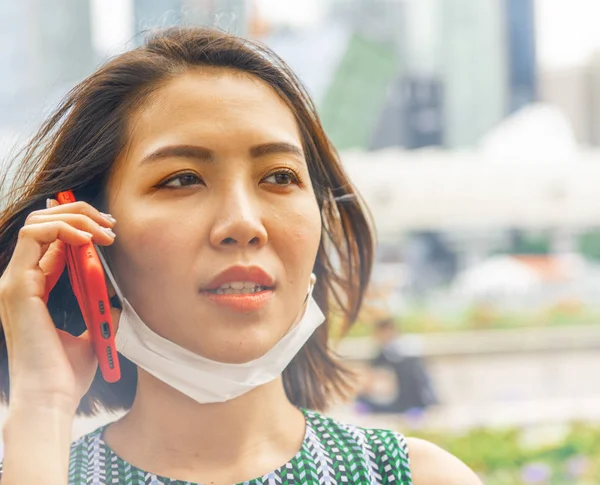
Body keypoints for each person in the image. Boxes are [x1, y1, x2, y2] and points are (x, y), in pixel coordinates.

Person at [0, 27, 481, 484]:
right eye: (182, 179)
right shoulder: (37, 471)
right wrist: (42, 404)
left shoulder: (414, 478)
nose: (245, 225)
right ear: (84, 240)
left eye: (279, 177)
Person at [357, 318, 438, 415]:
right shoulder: (400, 347)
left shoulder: (396, 349)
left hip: (411, 400)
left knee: (368, 404)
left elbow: (370, 376)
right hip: (419, 398)